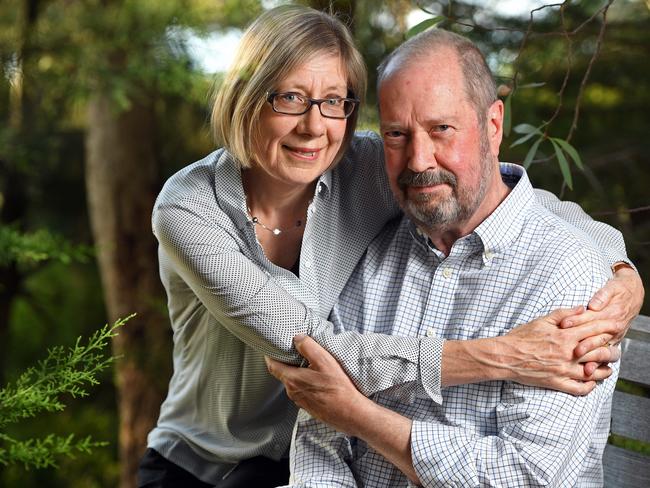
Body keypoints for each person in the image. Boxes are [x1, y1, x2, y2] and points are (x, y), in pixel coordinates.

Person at [138, 6, 643, 488]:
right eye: (289, 97)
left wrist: (620, 271)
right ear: (246, 97)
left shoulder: (367, 168)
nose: (314, 126)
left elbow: (520, 200)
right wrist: (503, 355)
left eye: (334, 101)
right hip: (203, 459)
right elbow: (311, 347)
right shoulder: (189, 207)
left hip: (301, 457)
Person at [267, 28, 636, 487]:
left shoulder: (568, 275)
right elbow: (321, 435)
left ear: (493, 125)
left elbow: (525, 475)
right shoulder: (372, 250)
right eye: (397, 135)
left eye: (442, 129)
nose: (419, 160)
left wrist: (359, 415)